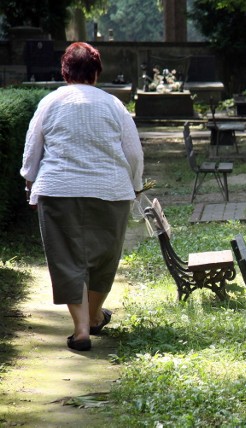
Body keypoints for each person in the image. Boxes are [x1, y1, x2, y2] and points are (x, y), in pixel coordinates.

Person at [20, 42, 144, 352]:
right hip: (110, 191)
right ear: (97, 73)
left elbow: (33, 148)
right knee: (104, 258)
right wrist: (136, 184)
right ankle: (94, 316)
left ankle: (82, 329)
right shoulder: (114, 105)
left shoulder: (50, 102)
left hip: (58, 189)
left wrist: (29, 179)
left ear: (65, 72)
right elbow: (132, 151)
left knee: (65, 260)